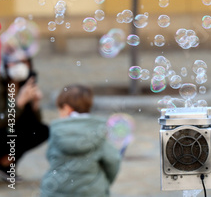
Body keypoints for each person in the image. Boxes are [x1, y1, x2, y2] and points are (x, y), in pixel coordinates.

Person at [40, 84, 121, 197]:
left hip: (57, 192)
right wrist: (103, 182)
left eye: (60, 110)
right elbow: (113, 160)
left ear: (67, 109)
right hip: (91, 192)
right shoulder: (99, 131)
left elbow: (51, 157)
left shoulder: (56, 130)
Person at [0, 19, 48, 181]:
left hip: (11, 132)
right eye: (15, 61)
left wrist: (35, 104)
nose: (19, 65)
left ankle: (6, 163)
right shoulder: (1, 83)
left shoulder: (27, 82)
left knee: (41, 130)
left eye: (24, 61)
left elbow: (35, 124)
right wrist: (18, 102)